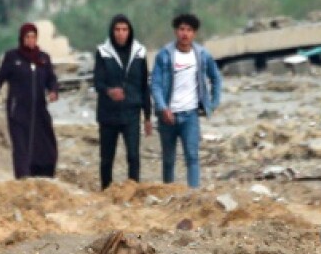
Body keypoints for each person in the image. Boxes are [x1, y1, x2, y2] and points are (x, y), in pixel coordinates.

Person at [0, 22, 60, 179]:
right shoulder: (13, 58)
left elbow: (51, 79)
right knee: (22, 147)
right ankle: (23, 179)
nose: (31, 40)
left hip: (39, 110)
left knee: (46, 145)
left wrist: (54, 91)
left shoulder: (43, 58)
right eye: (27, 37)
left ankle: (43, 176)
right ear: (22, 38)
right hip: (18, 112)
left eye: (33, 36)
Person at [150, 13, 223, 188]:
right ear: (176, 31)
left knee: (192, 157)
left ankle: (194, 195)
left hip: (190, 115)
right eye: (182, 29)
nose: (185, 33)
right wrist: (162, 107)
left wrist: (212, 104)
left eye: (189, 30)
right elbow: (156, 84)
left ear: (194, 33)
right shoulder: (165, 55)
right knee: (168, 159)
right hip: (167, 116)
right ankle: (168, 192)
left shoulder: (202, 55)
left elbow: (216, 78)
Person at [93, 14, 152, 189]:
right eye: (117, 30)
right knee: (106, 158)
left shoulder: (139, 52)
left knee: (133, 156)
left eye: (124, 29)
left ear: (130, 31)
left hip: (132, 113)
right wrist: (109, 91)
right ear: (112, 32)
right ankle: (105, 190)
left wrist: (147, 116)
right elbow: (97, 82)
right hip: (108, 114)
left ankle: (133, 190)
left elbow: (144, 85)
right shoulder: (103, 52)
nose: (121, 33)